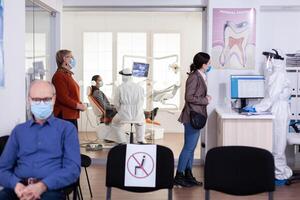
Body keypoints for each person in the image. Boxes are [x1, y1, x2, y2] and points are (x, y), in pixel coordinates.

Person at [0, 80, 81, 200]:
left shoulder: (67, 129)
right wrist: (16, 185)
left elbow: (73, 169)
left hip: (51, 189)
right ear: (29, 100)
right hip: (19, 188)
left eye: (46, 99)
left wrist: (42, 186)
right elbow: (2, 168)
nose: (41, 103)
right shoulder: (19, 131)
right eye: (36, 99)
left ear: (53, 99)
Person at [247, 54, 293, 182]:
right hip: (277, 109)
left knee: (278, 143)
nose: (267, 62)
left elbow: (271, 97)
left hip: (279, 110)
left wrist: (256, 108)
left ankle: (279, 174)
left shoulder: (279, 75)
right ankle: (276, 170)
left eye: (269, 59)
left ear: (274, 60)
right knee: (274, 141)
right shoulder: (275, 74)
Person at [175, 52, 212, 187]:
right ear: (203, 64)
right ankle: (179, 176)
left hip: (196, 115)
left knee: (191, 148)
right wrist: (205, 100)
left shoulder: (200, 76)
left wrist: (204, 98)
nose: (210, 65)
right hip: (192, 117)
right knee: (188, 148)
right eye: (208, 63)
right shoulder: (194, 77)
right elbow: (188, 97)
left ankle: (188, 175)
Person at [110, 68, 146, 144]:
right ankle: (140, 139)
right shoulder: (140, 87)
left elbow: (116, 103)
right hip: (138, 114)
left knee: (115, 123)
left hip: (124, 113)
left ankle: (122, 141)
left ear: (124, 76)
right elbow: (142, 102)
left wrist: (120, 110)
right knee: (141, 123)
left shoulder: (119, 88)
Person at [52, 49, 86, 129]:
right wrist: (78, 105)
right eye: (71, 57)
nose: (73, 59)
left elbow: (72, 95)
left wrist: (80, 104)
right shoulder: (59, 76)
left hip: (70, 115)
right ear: (65, 59)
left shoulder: (67, 75)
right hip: (64, 116)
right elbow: (63, 98)